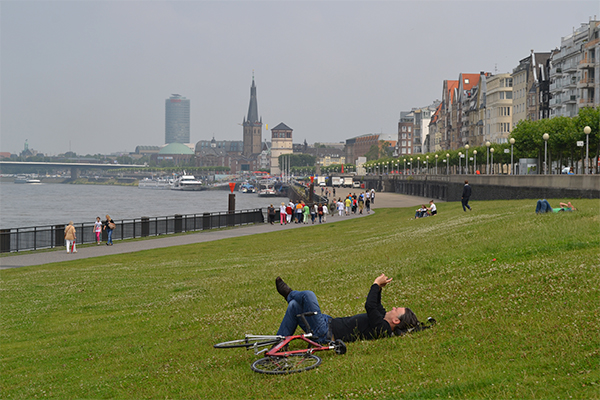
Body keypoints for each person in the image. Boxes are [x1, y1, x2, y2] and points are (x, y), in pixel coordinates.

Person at [275, 274, 420, 344]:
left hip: (324, 332)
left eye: (396, 310)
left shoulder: (382, 328)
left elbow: (370, 306)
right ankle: (280, 343)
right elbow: (376, 306)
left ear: (395, 320)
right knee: (295, 307)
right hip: (326, 322)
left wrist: (375, 284)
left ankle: (289, 294)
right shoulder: (381, 319)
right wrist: (380, 289)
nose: (393, 307)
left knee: (308, 295)